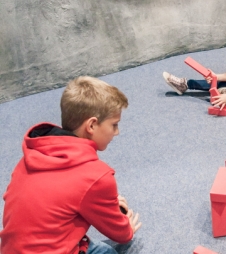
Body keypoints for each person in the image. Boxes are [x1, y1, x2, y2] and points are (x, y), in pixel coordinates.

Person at [0, 76, 142, 254]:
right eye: (114, 125)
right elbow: (121, 234)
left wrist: (106, 201)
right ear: (91, 125)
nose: (117, 132)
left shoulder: (30, 157)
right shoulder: (96, 176)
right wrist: (123, 221)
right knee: (120, 248)